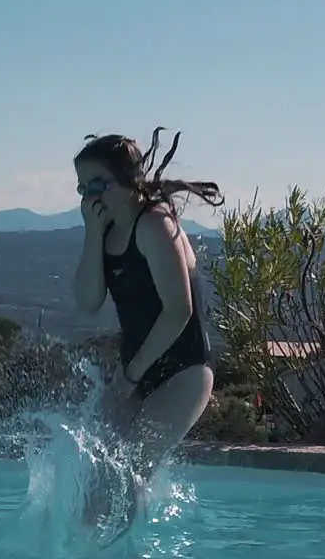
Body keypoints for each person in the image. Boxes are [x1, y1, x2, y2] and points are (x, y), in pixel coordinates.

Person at [71, 127, 223, 504]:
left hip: (184, 372)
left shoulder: (155, 225)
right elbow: (87, 301)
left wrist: (130, 376)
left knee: (128, 474)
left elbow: (178, 311)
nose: (90, 196)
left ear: (128, 180)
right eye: (82, 188)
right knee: (95, 477)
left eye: (97, 184)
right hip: (136, 371)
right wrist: (92, 234)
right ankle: (84, 557)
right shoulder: (106, 230)